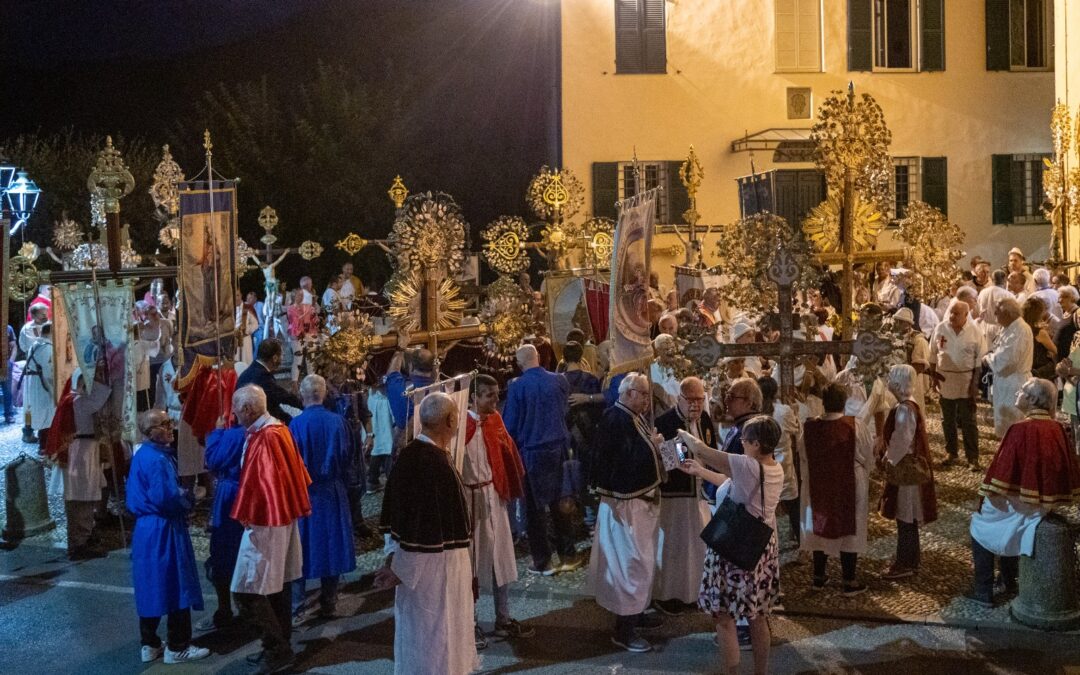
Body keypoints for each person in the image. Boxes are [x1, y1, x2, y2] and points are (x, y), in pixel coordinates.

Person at [375, 392, 478, 675]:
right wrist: (400, 568)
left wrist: (393, 561)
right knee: (436, 639)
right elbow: (417, 532)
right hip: (434, 572)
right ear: (450, 420)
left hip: (427, 566)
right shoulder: (431, 464)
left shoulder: (412, 456)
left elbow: (398, 523)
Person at [679, 416, 785, 675]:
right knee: (757, 616)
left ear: (756, 444)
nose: (741, 443)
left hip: (733, 548)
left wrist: (682, 433)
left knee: (724, 618)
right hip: (760, 548)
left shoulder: (747, 465)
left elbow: (703, 450)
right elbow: (732, 484)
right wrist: (700, 471)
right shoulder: (774, 468)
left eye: (745, 440)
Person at [968, 378, 1080, 606]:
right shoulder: (1057, 428)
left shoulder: (1020, 429)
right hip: (1041, 505)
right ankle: (1009, 580)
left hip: (1018, 503)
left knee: (979, 526)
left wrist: (984, 496)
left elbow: (1001, 474)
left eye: (1021, 390)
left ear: (1031, 399)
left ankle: (983, 591)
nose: (1017, 393)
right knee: (1006, 526)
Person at [229, 385, 312, 673]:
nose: (234, 415)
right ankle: (280, 644)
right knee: (277, 584)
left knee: (247, 589)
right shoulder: (279, 430)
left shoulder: (265, 437)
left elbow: (257, 485)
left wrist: (246, 513)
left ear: (249, 410)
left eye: (237, 410)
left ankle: (277, 649)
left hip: (266, 521)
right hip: (282, 516)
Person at [588, 372, 665, 653]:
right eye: (643, 394)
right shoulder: (615, 419)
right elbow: (620, 462)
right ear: (628, 393)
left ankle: (637, 613)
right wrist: (653, 448)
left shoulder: (631, 417)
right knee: (630, 566)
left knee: (642, 564)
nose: (646, 400)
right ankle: (625, 630)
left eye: (647, 394)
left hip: (639, 505)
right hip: (625, 507)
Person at [126, 409, 210, 665]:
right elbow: (165, 498)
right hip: (164, 528)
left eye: (169, 421)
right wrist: (190, 498)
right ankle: (178, 645)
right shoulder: (158, 460)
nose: (170, 427)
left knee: (151, 585)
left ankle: (149, 643)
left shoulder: (144, 455)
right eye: (164, 424)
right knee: (176, 584)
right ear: (151, 432)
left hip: (146, 531)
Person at [463, 375, 531, 646]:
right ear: (474, 398)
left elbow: (507, 452)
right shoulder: (460, 425)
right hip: (471, 497)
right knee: (473, 564)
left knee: (501, 558)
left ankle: (503, 617)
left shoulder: (495, 419)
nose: (495, 400)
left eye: (496, 394)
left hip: (494, 493)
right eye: (489, 396)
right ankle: (472, 623)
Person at [503, 344, 579, 575]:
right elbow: (566, 411)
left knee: (535, 510)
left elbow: (511, 425)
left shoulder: (518, 388)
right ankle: (568, 554)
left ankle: (543, 561)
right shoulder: (559, 381)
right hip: (559, 450)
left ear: (519, 363)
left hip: (532, 453)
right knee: (561, 503)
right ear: (538, 358)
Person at [288, 374, 356, 622]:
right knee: (332, 544)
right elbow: (348, 456)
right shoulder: (338, 422)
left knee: (300, 548)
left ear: (302, 395)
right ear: (324, 393)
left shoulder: (295, 425)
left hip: (305, 493)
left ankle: (297, 606)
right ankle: (329, 602)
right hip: (332, 490)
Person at [652, 376, 717, 614]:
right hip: (676, 495)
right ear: (679, 398)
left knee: (698, 546)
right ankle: (668, 595)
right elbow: (672, 461)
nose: (696, 405)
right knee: (675, 548)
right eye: (690, 400)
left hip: (699, 495)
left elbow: (711, 450)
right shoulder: (667, 422)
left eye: (700, 400)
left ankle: (694, 592)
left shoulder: (705, 420)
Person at [800, 383, 869, 595]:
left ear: (823, 402)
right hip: (849, 484)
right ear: (844, 402)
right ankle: (849, 580)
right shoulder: (855, 425)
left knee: (819, 528)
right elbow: (867, 454)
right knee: (850, 530)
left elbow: (802, 455)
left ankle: (818, 577)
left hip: (817, 486)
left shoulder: (809, 427)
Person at [877, 365, 938, 580]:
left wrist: (888, 458)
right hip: (908, 469)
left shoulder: (904, 409)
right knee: (908, 518)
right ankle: (910, 559)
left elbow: (902, 439)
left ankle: (906, 563)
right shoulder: (908, 406)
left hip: (906, 473)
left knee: (906, 517)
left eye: (891, 378)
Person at [198, 419, 246, 632]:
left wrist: (217, 432)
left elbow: (213, 460)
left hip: (231, 495)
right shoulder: (269, 429)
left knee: (223, 555)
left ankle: (226, 610)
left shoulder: (234, 434)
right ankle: (249, 610)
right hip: (251, 495)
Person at [929, 299, 985, 470]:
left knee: (968, 420)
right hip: (945, 379)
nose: (952, 316)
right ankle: (951, 452)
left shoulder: (975, 331)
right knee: (947, 419)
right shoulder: (941, 328)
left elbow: (979, 361)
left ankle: (972, 457)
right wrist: (934, 378)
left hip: (965, 380)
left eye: (957, 313)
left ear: (966, 315)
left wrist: (974, 385)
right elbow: (932, 355)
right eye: (951, 312)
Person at [63, 370, 113, 559]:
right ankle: (78, 544)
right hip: (81, 452)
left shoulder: (76, 399)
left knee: (89, 495)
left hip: (86, 449)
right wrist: (108, 374)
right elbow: (101, 395)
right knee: (81, 498)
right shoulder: (79, 401)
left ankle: (85, 535)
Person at [983, 297, 1033, 438]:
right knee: (1004, 422)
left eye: (997, 312)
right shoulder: (1009, 328)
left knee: (1013, 424)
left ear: (1008, 314)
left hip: (1014, 382)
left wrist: (988, 359)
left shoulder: (1019, 330)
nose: (995, 315)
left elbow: (1007, 361)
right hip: (1005, 381)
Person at [235, 339, 303, 423]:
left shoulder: (254, 369)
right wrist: (306, 404)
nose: (282, 358)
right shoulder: (262, 376)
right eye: (282, 355)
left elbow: (273, 401)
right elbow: (283, 396)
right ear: (274, 358)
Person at [23, 322, 55, 445]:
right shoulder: (47, 348)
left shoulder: (35, 345)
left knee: (41, 415)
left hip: (35, 384)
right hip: (43, 386)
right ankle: (44, 448)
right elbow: (49, 373)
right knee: (46, 417)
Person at [1023, 297, 1057, 380]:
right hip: (1040, 371)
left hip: (1026, 369)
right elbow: (1055, 350)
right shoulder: (1040, 332)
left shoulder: (1021, 329)